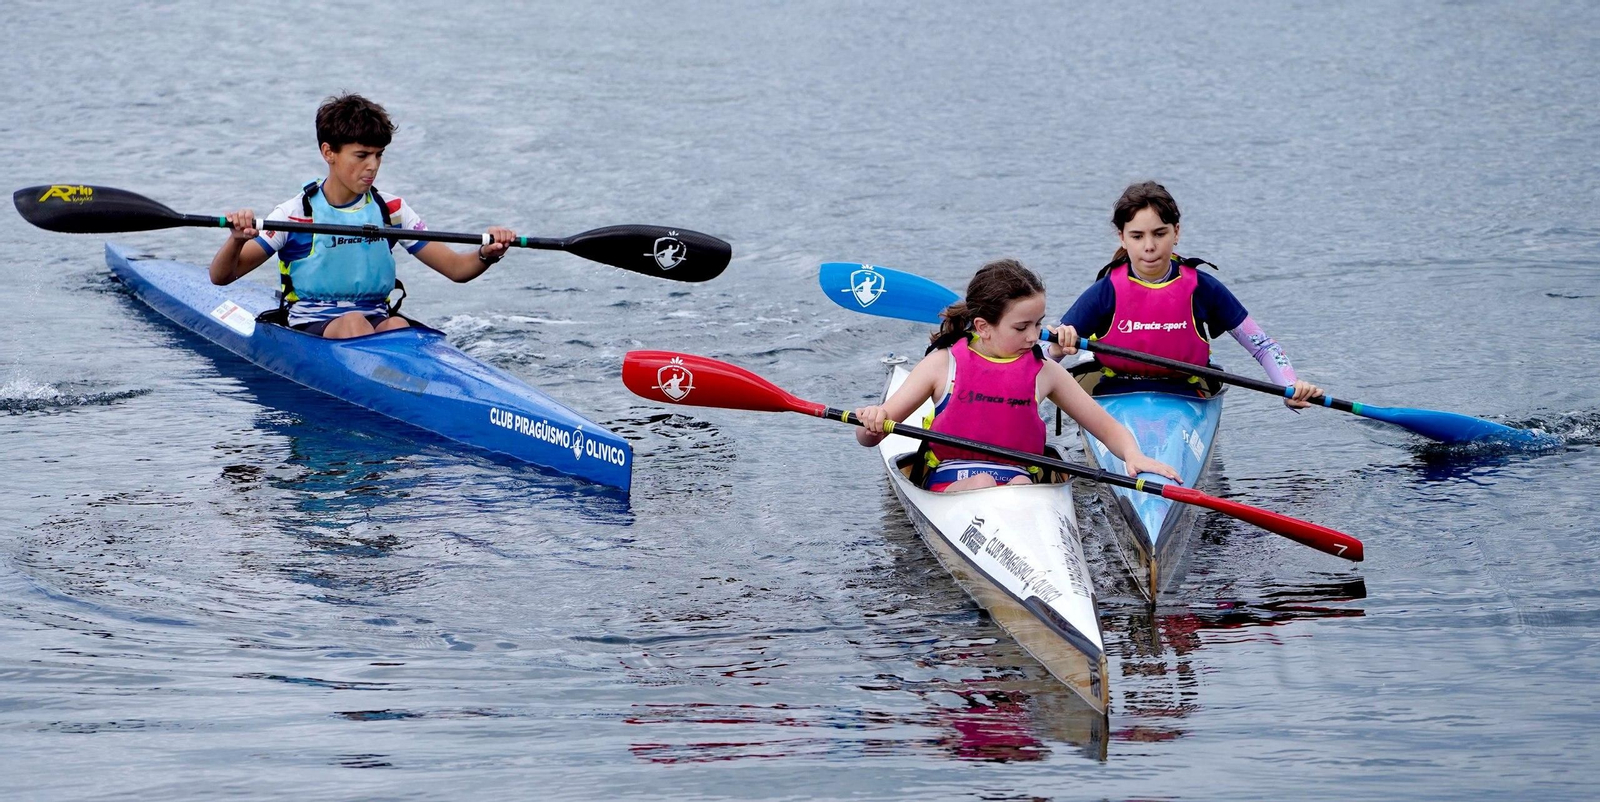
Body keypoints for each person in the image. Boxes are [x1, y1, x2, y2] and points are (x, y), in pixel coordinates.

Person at [208, 93, 517, 339]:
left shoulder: (392, 211)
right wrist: (236, 240)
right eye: (361, 155)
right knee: (353, 323)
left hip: (376, 321)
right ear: (329, 152)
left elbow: (456, 270)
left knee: (397, 328)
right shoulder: (295, 214)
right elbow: (222, 276)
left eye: (378, 155)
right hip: (312, 325)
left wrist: (487, 255)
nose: (373, 165)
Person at [855, 259, 1179, 493]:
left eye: (1038, 324)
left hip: (1019, 483)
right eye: (1022, 327)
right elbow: (871, 437)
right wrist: (871, 424)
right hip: (950, 479)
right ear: (983, 327)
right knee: (984, 483)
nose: (1033, 336)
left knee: (1022, 483)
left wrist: (1133, 455)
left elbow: (1106, 427)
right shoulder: (943, 364)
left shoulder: (1044, 372)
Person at [1050, 181, 1323, 406]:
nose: (1149, 246)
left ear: (1176, 232)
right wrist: (1056, 348)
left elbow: (1263, 346)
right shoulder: (1105, 292)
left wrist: (1289, 387)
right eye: (1137, 236)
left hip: (1187, 394)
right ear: (1122, 237)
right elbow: (1038, 353)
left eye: (1159, 233)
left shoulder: (1203, 288)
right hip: (1114, 394)